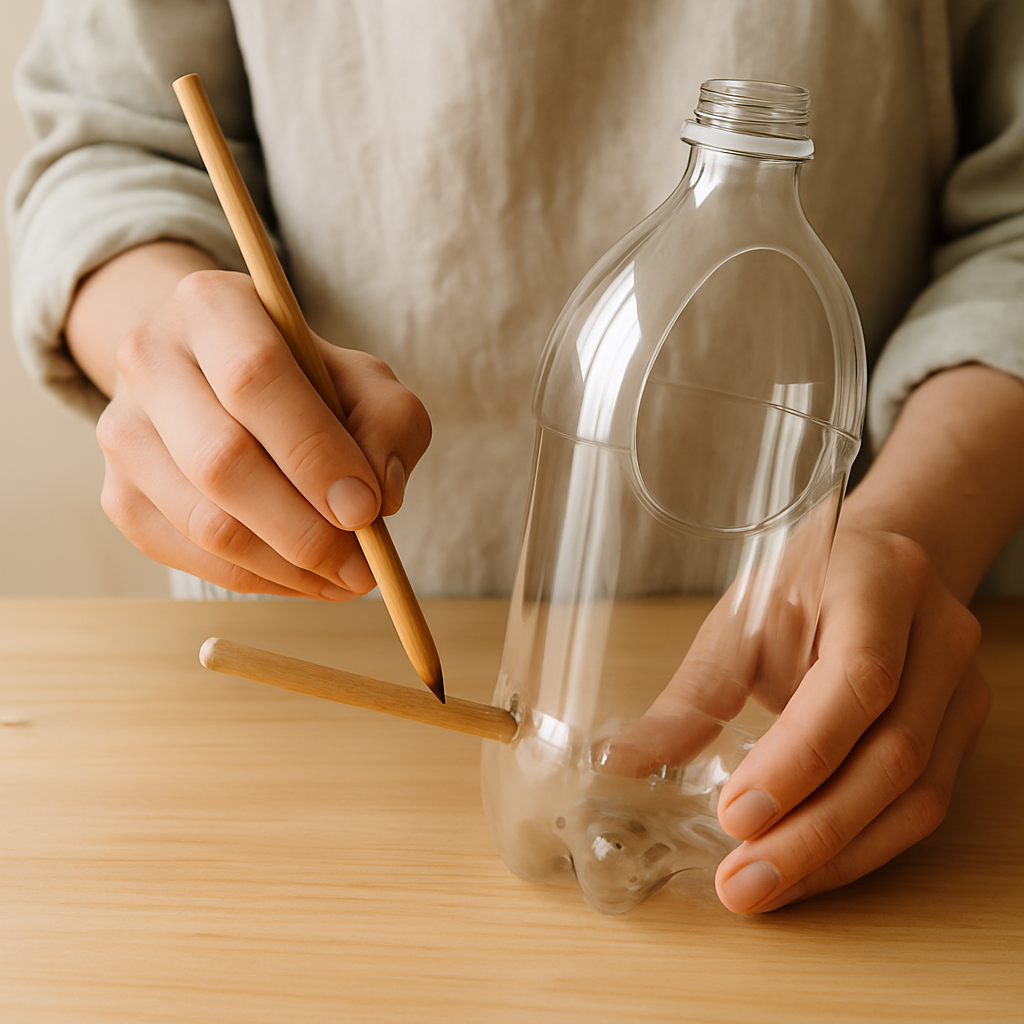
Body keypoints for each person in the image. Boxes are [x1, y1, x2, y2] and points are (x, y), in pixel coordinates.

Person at [8, 0, 1024, 914]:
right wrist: (161, 331)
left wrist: (908, 523)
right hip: (309, 682)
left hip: (830, 660)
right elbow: (112, 136)